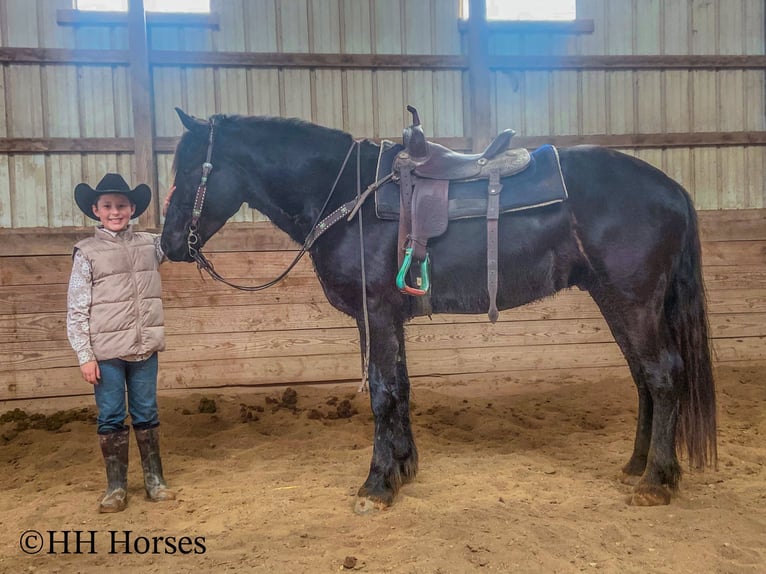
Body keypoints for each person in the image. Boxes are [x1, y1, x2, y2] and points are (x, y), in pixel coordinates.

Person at [66, 173, 176, 513]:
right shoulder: (87, 252)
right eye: (108, 206)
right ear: (96, 210)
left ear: (132, 209)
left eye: (122, 205)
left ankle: (154, 480)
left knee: (146, 412)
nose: (116, 212)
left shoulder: (149, 244)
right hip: (106, 353)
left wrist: (173, 211)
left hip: (143, 348)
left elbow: (175, 243)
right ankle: (116, 487)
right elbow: (77, 307)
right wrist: (85, 355)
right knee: (111, 415)